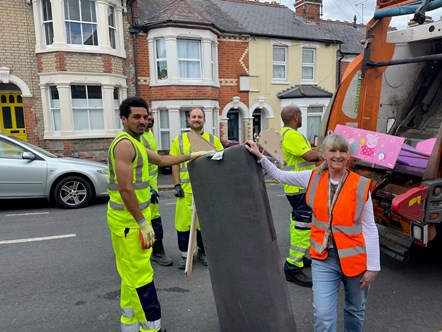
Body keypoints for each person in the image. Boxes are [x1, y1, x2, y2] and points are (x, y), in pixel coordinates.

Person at [245, 134, 380, 332]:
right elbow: (281, 175)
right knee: (323, 315)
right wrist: (260, 157)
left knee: (355, 309)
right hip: (324, 257)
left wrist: (373, 266)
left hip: (355, 258)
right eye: (332, 151)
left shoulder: (360, 185)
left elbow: (369, 226)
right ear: (323, 153)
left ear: (349, 156)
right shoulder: (312, 177)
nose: (338, 156)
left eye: (343, 151)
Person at [107, 97, 206, 332]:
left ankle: (130, 325)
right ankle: (151, 328)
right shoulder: (124, 144)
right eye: (136, 117)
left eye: (145, 116)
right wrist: (143, 223)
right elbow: (125, 188)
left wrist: (191, 156)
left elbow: (162, 159)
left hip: (125, 222)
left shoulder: (136, 142)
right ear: (124, 119)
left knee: (129, 275)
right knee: (142, 278)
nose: (142, 121)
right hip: (130, 224)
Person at [169, 108, 224, 270]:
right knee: (183, 224)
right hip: (185, 191)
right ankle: (186, 255)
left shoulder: (213, 140)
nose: (196, 119)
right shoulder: (179, 140)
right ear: (189, 120)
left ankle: (203, 252)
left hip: (206, 190)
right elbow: (174, 163)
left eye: (200, 117)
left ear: (204, 120)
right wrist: (176, 184)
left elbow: (221, 160)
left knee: (205, 224)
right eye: (194, 117)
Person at [280, 104, 322, 287]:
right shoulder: (291, 135)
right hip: (300, 187)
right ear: (296, 116)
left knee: (297, 222)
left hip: (296, 186)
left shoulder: (286, 134)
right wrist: (331, 151)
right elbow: (310, 157)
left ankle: (299, 258)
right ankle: (293, 266)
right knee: (303, 225)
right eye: (301, 115)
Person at [141, 111, 173, 266]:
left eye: (150, 115)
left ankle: (155, 250)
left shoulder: (149, 134)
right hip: (143, 188)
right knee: (148, 220)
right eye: (146, 116)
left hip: (151, 187)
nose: (150, 118)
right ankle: (157, 252)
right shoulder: (138, 138)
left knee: (154, 218)